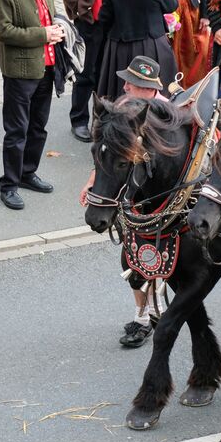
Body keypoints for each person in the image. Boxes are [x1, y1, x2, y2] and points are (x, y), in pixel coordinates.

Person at [80, 56, 168, 347]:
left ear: (151, 90)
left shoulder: (168, 114)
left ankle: (155, 312)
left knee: (156, 259)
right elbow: (106, 153)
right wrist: (92, 180)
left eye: (135, 83)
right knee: (132, 260)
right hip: (129, 201)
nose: (126, 85)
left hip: (161, 203)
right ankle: (143, 317)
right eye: (128, 80)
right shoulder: (121, 108)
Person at [0, 0, 64, 210]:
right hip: (20, 73)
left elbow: (48, 17)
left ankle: (27, 173)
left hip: (46, 69)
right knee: (17, 130)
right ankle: (9, 185)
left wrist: (58, 29)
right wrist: (44, 34)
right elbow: (3, 31)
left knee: (38, 127)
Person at [96, 0, 178, 100]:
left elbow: (104, 19)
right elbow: (171, 6)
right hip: (153, 46)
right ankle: (158, 116)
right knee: (159, 94)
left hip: (121, 49)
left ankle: (119, 116)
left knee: (118, 95)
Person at [57, 0, 107, 142]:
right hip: (88, 20)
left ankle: (103, 119)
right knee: (85, 73)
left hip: (112, 18)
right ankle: (79, 120)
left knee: (105, 72)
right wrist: (80, 8)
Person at [170, 0, 211, 87]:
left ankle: (188, 89)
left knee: (189, 51)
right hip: (161, 5)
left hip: (187, 7)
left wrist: (205, 14)